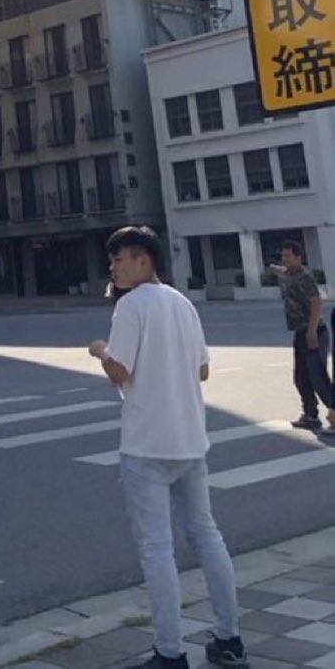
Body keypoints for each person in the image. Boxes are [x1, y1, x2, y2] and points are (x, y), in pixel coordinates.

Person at [87, 227, 247, 669]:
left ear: (143, 260)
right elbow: (202, 371)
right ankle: (230, 638)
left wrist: (100, 351)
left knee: (157, 548)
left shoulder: (131, 305)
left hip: (146, 444)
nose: (114, 267)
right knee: (207, 535)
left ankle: (170, 651)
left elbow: (121, 372)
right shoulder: (182, 303)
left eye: (119, 259)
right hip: (190, 440)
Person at [267, 240, 335, 434]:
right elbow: (281, 271)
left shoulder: (304, 277)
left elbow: (317, 302)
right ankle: (310, 415)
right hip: (300, 333)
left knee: (318, 378)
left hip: (313, 333)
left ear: (299, 257)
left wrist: (312, 331)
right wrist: (273, 267)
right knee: (301, 378)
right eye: (283, 256)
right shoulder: (289, 273)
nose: (285, 259)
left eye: (288, 256)